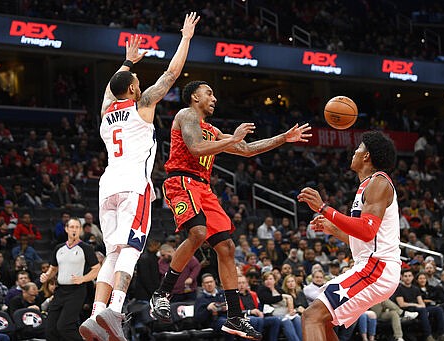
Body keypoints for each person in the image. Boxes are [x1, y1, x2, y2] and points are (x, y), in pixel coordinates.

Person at [149, 78, 311, 341]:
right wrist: (232, 139)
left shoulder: (212, 130)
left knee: (227, 248)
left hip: (204, 187)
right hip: (181, 180)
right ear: (194, 97)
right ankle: (162, 294)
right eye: (208, 93)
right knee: (198, 232)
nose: (214, 99)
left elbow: (246, 150)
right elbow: (196, 147)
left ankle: (235, 316)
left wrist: (283, 138)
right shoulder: (187, 115)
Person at [79, 12, 200, 341]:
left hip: (107, 187)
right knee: (130, 251)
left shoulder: (106, 111)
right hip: (134, 186)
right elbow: (172, 74)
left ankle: (95, 315)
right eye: (135, 82)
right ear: (133, 89)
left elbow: (110, 89)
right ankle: (114, 312)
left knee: (113, 251)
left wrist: (127, 62)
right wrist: (186, 38)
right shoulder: (143, 103)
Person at [297, 131, 401, 341]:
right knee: (322, 320)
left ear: (366, 156)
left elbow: (366, 230)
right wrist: (333, 230)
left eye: (358, 148)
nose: (354, 152)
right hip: (371, 265)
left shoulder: (379, 182)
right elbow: (367, 239)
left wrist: (324, 208)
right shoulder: (367, 185)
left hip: (376, 268)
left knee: (311, 316)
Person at [40, 217, 100, 341]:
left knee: (64, 326)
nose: (74, 230)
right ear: (66, 229)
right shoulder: (59, 248)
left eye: (77, 227)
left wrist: (83, 279)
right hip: (60, 291)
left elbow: (96, 269)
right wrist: (46, 276)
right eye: (72, 227)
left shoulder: (86, 248)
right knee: (50, 329)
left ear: (80, 230)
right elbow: (53, 268)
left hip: (77, 291)